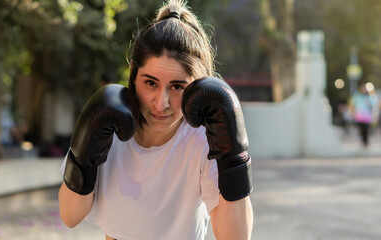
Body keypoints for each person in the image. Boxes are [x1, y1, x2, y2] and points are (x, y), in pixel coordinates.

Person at [58, 1, 253, 239]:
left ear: (197, 87)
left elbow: (236, 238)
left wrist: (233, 158)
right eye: (150, 83)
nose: (161, 103)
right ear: (133, 73)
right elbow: (70, 216)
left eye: (177, 86)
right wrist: (83, 156)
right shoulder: (107, 125)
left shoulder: (203, 140)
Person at [349, 83, 379, 147]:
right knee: (360, 129)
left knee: (366, 129)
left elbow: (373, 104)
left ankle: (366, 141)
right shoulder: (357, 96)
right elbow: (353, 104)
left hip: (366, 116)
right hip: (359, 115)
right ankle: (363, 140)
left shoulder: (369, 96)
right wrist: (352, 113)